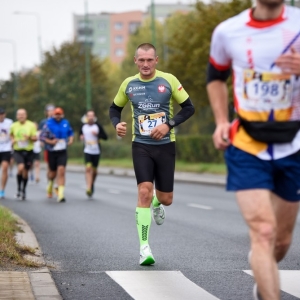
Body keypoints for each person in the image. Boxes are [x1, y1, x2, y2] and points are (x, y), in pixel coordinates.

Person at [206, 1, 300, 299]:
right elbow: (215, 78)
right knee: (264, 231)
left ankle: (264, 276)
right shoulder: (228, 31)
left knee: (281, 242)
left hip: (294, 145)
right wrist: (222, 121)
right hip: (246, 144)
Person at [109, 43, 195, 265]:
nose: (145, 64)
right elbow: (114, 108)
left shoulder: (169, 81)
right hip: (141, 146)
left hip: (166, 145)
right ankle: (144, 248)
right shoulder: (128, 84)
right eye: (141, 60)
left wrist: (169, 124)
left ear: (156, 60)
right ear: (135, 61)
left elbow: (189, 108)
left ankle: (158, 202)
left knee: (166, 199)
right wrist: (117, 124)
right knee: (144, 192)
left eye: (149, 60)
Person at [40, 107, 74, 202]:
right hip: (52, 151)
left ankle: (61, 194)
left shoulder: (66, 123)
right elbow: (42, 137)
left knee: (62, 170)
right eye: (56, 114)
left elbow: (71, 133)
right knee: (52, 173)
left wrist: (71, 140)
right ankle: (50, 184)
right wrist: (51, 142)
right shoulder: (48, 124)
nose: (58, 116)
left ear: (62, 115)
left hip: (62, 151)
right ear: (53, 115)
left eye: (60, 114)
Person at [10, 109, 37, 200]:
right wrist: (12, 140)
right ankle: (18, 188)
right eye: (19, 115)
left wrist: (29, 137)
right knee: (20, 168)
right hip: (18, 150)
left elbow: (35, 138)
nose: (21, 116)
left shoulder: (31, 125)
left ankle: (23, 190)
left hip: (29, 151)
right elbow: (11, 135)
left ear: (26, 115)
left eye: (23, 114)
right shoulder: (14, 125)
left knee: (26, 172)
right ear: (17, 116)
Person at [79, 110, 108, 197]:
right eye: (89, 116)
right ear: (86, 117)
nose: (90, 117)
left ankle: (91, 184)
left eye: (92, 116)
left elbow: (105, 137)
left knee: (94, 171)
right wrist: (81, 136)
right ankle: (88, 187)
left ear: (94, 117)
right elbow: (80, 134)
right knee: (88, 168)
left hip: (96, 151)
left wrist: (97, 134)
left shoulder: (97, 126)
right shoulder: (83, 126)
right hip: (87, 150)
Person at [0, 108, 13, 199]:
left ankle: (2, 190)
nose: (1, 116)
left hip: (6, 148)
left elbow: (13, 134)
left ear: (5, 114)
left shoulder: (10, 122)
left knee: (5, 168)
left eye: (2, 114)